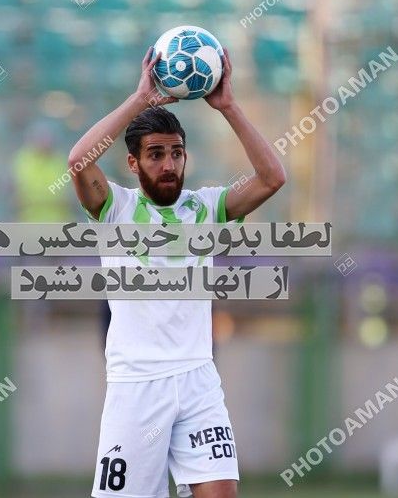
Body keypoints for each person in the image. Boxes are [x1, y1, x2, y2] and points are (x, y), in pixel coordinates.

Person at [69, 46, 287, 498]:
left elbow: (272, 178)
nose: (169, 165)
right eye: (155, 155)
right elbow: (79, 161)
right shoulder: (116, 208)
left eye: (176, 153)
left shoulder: (205, 208)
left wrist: (228, 107)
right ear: (133, 163)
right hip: (137, 388)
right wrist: (139, 100)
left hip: (197, 380)